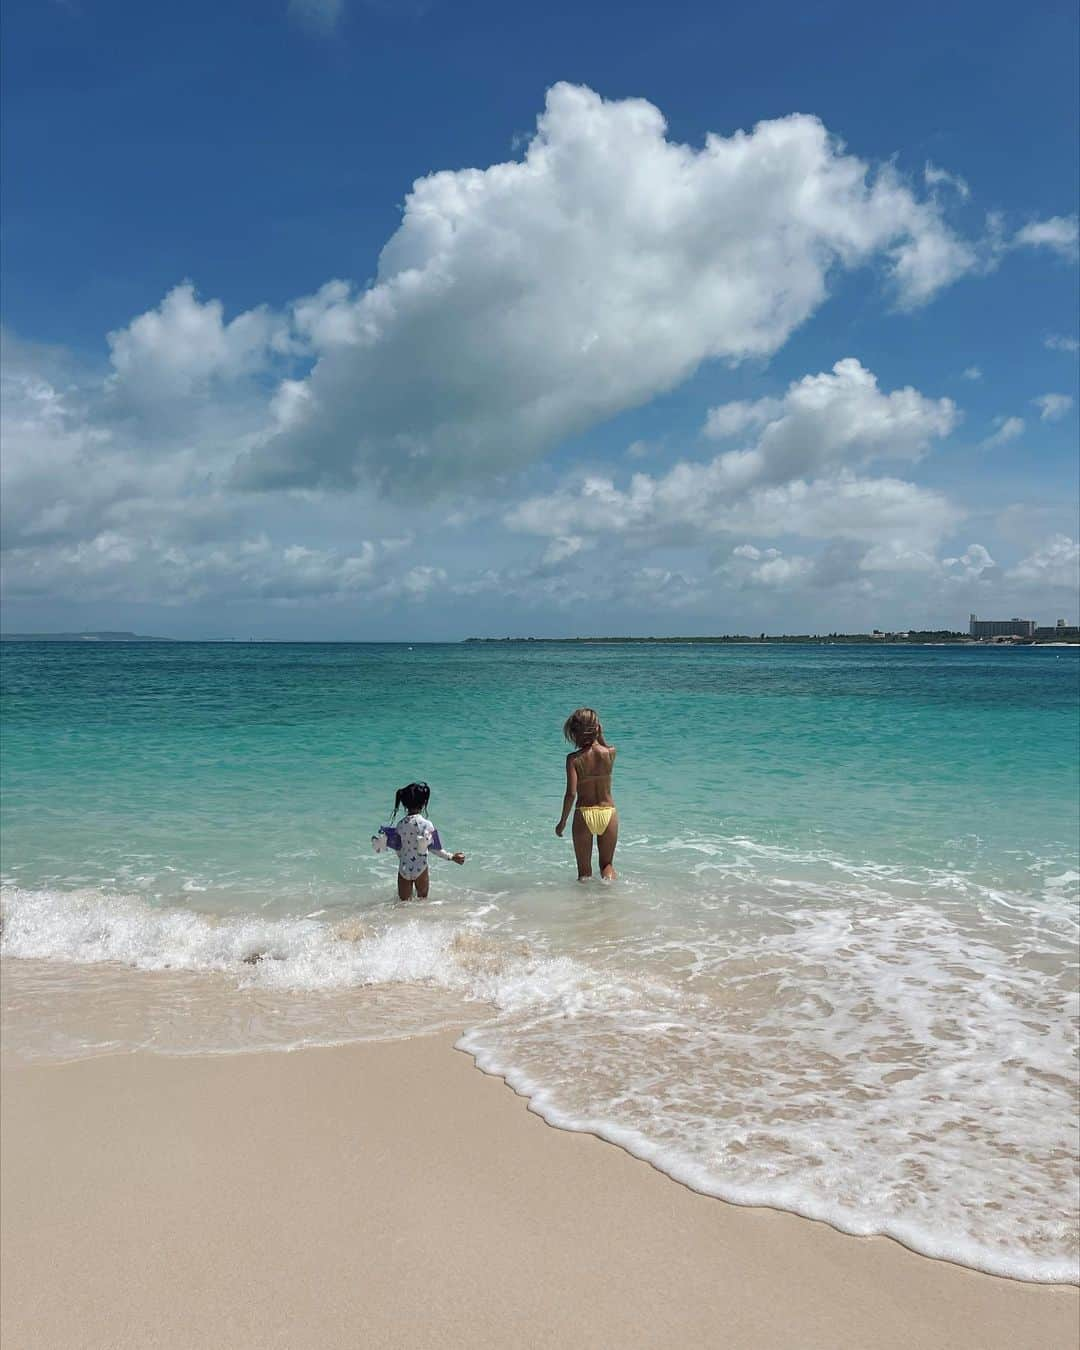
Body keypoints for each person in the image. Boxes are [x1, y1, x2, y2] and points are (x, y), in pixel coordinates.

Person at [373, 781, 465, 900]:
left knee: (403, 904)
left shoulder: (400, 825)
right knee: (422, 902)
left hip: (404, 868)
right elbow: (434, 848)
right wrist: (451, 857)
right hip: (420, 868)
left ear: (405, 805)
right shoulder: (426, 825)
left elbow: (398, 849)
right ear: (424, 803)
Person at [555, 708, 618, 882]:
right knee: (607, 865)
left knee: (584, 872)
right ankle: (610, 897)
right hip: (608, 813)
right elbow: (604, 747)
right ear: (597, 729)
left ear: (575, 733)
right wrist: (600, 735)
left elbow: (571, 793)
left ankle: (584, 907)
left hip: (584, 814)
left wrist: (563, 822)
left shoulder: (573, 759)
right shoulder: (610, 753)